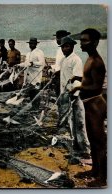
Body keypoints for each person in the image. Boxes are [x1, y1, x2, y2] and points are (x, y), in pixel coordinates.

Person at [71, 28, 107, 187]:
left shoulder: (97, 61)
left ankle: (103, 177)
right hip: (88, 104)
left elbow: (97, 87)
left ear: (95, 42)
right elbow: (89, 79)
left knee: (99, 142)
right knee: (92, 140)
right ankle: (94, 170)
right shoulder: (90, 58)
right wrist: (78, 78)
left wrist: (79, 88)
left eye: (85, 40)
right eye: (81, 40)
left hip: (95, 104)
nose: (81, 44)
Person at [58, 36, 90, 161]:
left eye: (66, 46)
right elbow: (64, 77)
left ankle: (85, 149)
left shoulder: (76, 60)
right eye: (62, 47)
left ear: (72, 46)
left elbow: (78, 78)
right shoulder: (64, 60)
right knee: (70, 122)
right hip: (65, 94)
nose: (64, 49)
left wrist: (74, 95)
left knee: (80, 122)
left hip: (74, 95)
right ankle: (76, 146)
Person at [18, 37, 45, 108]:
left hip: (36, 76)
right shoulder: (28, 53)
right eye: (30, 43)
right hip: (28, 76)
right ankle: (33, 106)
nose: (31, 45)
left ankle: (36, 107)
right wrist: (19, 65)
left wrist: (33, 63)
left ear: (36, 44)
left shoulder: (39, 52)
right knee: (31, 92)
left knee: (36, 91)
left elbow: (42, 63)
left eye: (33, 43)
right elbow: (26, 63)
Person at [49, 30, 71, 97]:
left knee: (63, 95)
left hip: (63, 77)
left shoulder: (67, 50)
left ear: (62, 38)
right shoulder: (59, 50)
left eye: (57, 38)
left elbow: (67, 66)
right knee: (58, 94)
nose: (56, 40)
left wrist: (57, 72)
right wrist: (51, 67)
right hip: (58, 76)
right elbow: (59, 64)